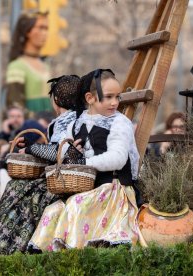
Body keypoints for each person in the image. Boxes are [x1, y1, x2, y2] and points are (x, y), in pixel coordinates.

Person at [28, 69, 140, 251]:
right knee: (52, 210)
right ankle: (44, 257)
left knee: (75, 205)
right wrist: (72, 154)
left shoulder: (119, 123)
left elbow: (118, 158)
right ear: (90, 98)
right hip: (89, 188)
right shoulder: (77, 124)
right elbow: (61, 150)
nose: (115, 103)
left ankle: (75, 256)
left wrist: (85, 163)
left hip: (113, 188)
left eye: (117, 97)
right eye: (109, 97)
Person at [0, 75, 81, 255]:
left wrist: (31, 148)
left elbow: (60, 152)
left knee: (20, 192)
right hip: (58, 176)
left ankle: (9, 248)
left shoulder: (74, 121)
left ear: (57, 99)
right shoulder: (60, 122)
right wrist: (31, 148)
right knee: (15, 187)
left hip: (67, 180)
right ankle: (1, 246)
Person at [5, 11, 51, 113]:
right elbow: (14, 105)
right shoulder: (17, 66)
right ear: (27, 31)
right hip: (30, 126)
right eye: (40, 28)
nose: (45, 33)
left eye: (46, 29)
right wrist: (35, 119)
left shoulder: (45, 66)